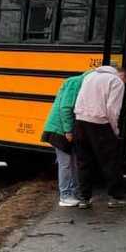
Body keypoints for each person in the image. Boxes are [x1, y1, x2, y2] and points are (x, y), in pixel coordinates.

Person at [72, 64, 126, 209]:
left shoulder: (90, 76)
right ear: (121, 74)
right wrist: (114, 130)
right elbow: (112, 109)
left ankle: (84, 198)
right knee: (111, 161)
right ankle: (115, 197)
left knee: (84, 161)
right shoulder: (116, 81)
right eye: (125, 79)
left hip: (80, 121)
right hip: (100, 123)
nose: (124, 83)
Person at [41, 71, 89, 207]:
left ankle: (73, 193)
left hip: (63, 128)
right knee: (66, 163)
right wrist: (68, 130)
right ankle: (65, 195)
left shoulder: (78, 82)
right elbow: (65, 108)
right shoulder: (75, 83)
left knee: (72, 162)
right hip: (59, 130)